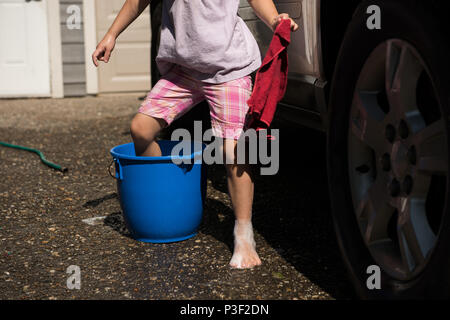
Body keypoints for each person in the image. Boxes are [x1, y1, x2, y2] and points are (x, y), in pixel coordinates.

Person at [93, 0, 299, 269]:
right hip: (184, 70)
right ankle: (164, 198)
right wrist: (111, 34)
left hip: (228, 68)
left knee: (232, 150)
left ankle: (244, 233)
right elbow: (137, 2)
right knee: (141, 129)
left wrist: (274, 20)